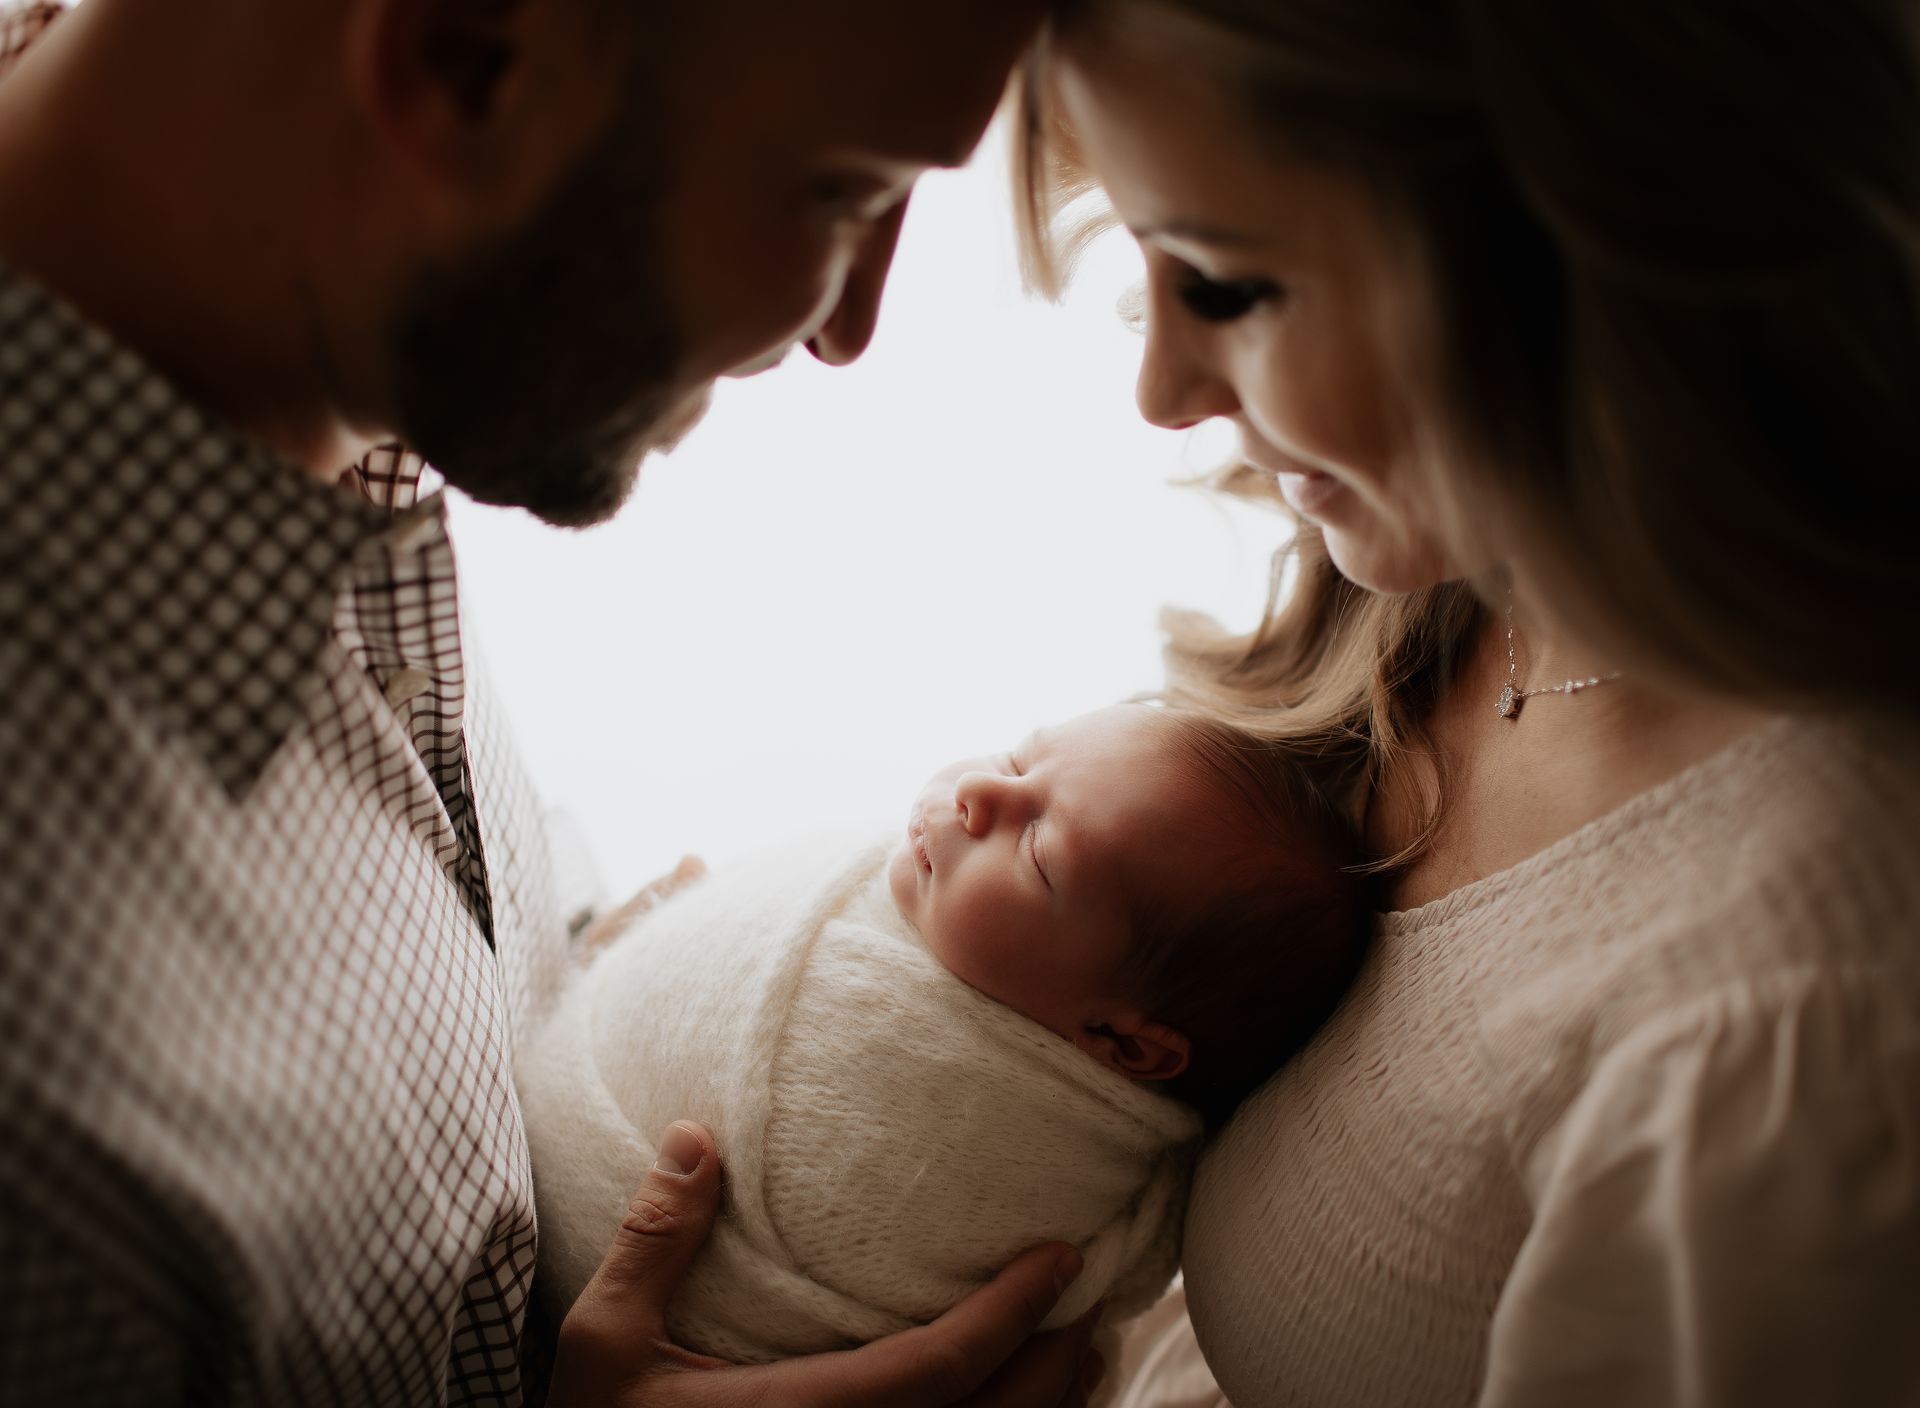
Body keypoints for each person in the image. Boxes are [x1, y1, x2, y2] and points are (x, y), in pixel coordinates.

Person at [0, 0, 1125, 1403]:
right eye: (840, 190)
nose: (844, 328)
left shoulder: (305, 373)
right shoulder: (43, 1118)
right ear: (463, 62)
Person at [1008, 0, 1920, 1404]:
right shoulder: (1455, 571)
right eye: (1145, 263)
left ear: (1585, 240)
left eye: (1229, 284)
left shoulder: (1803, 1025)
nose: (1162, 391)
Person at [515, 703, 1364, 1371]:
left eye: (1039, 850)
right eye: (1019, 757)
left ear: (1123, 1045)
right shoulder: (948, 928)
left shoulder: (997, 1143)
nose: (980, 792)